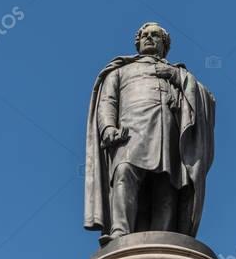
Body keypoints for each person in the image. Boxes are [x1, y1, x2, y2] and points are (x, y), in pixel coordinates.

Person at [84, 22, 215, 240]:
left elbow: (207, 99)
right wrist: (107, 127)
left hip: (167, 135)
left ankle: (163, 238)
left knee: (166, 187)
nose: (149, 38)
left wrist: (177, 77)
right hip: (129, 134)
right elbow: (108, 101)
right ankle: (119, 231)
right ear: (138, 42)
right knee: (124, 173)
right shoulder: (120, 71)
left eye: (155, 36)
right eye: (145, 35)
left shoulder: (176, 73)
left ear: (164, 45)